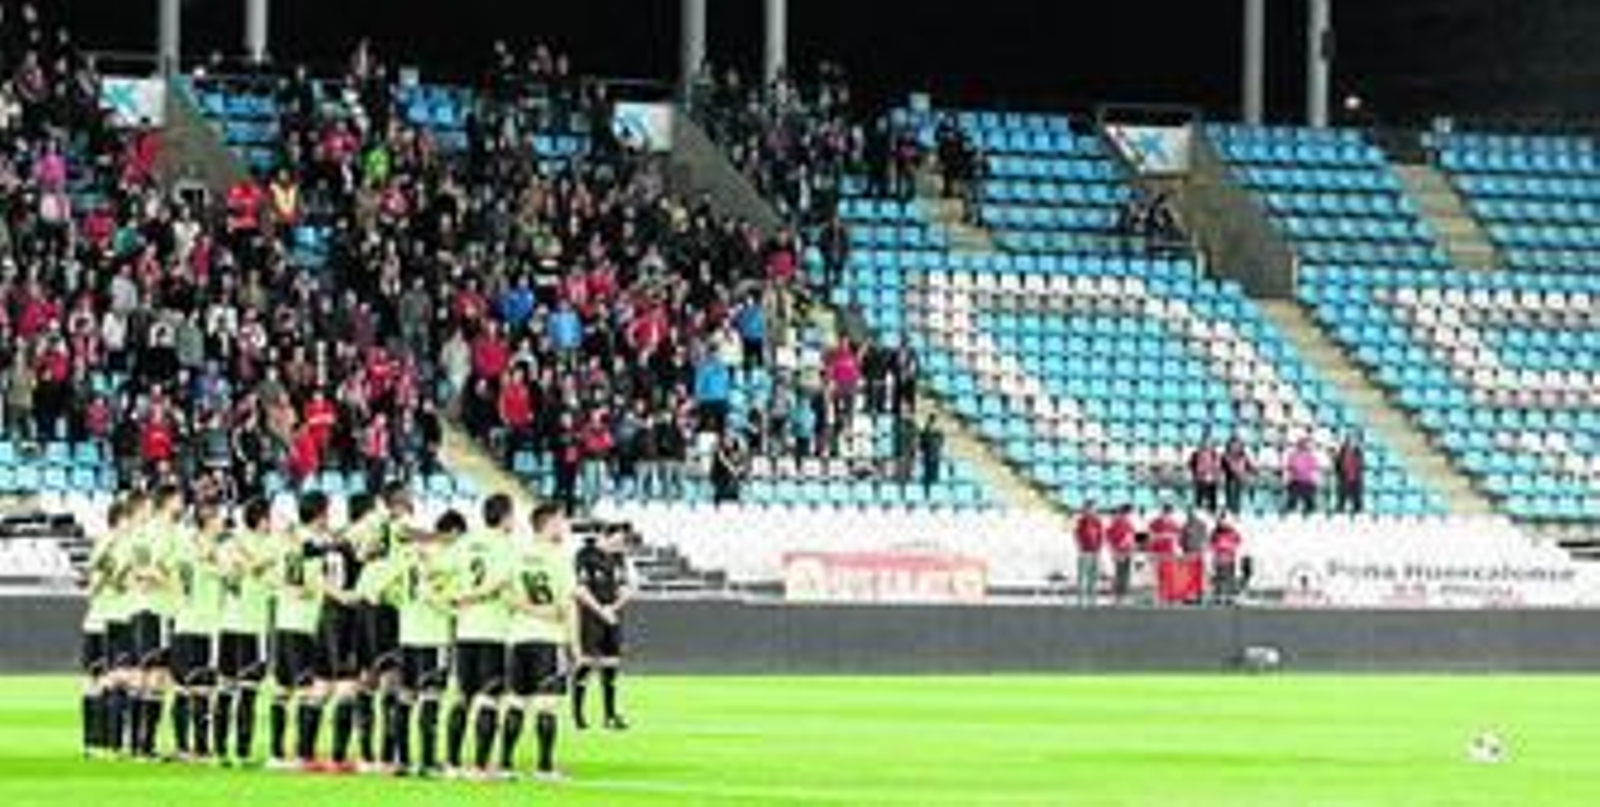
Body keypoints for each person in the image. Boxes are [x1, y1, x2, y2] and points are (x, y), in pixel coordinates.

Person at [503, 502, 580, 780]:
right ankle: (545, 767)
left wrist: (526, 609)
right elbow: (566, 606)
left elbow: (507, 596)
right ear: (548, 524)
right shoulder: (560, 557)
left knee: (515, 702)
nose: (564, 526)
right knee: (547, 705)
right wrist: (575, 647)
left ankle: (506, 765)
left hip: (518, 638)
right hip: (548, 640)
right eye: (561, 521)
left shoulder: (516, 554)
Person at [443, 493, 516, 779]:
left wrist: (456, 599)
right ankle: (480, 767)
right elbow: (503, 583)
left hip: (465, 631)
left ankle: (452, 765)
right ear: (506, 516)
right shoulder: (506, 547)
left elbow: (436, 572)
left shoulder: (464, 543)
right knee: (490, 699)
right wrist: (479, 594)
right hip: (493, 630)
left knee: (461, 697)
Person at [214, 498, 278, 765]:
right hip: (252, 626)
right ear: (262, 519)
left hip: (228, 623)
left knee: (226, 689)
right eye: (269, 517)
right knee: (247, 690)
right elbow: (265, 574)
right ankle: (241, 751)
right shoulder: (268, 545)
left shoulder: (229, 544)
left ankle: (220, 752)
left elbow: (227, 573)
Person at [269, 492, 330, 770]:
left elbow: (280, 580)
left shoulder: (287, 543)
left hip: (284, 622)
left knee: (282, 690)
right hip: (305, 625)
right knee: (310, 690)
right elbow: (305, 586)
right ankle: (304, 755)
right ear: (319, 514)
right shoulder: (311, 545)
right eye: (327, 512)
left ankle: (277, 754)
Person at [168, 503, 226, 761]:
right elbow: (230, 575)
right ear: (208, 524)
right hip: (204, 625)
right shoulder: (213, 553)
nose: (222, 525)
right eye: (218, 521)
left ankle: (183, 748)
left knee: (182, 688)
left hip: (182, 623)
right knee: (203, 688)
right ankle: (201, 749)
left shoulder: (183, 549)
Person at [572, 527, 633, 731]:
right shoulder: (585, 555)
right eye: (618, 539)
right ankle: (578, 715)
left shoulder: (619, 559)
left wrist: (612, 609)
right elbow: (580, 590)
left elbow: (626, 589)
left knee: (611, 665)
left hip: (611, 617)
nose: (620, 544)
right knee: (587, 663)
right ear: (605, 536)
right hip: (590, 617)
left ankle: (610, 715)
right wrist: (600, 611)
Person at [1072, 502, 1104, 607]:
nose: (1092, 511)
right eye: (1089, 509)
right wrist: (1080, 548)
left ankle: (1092, 598)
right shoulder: (1081, 521)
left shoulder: (1097, 521)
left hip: (1095, 551)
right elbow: (1076, 535)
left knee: (1093, 576)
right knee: (1082, 575)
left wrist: (1099, 549)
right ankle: (1081, 598)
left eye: (1094, 509)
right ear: (1085, 509)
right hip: (1084, 551)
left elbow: (1100, 536)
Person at [1106, 504, 1138, 606]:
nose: (1130, 515)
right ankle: (1117, 595)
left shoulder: (1128, 523)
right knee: (1120, 573)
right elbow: (1109, 536)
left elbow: (1133, 536)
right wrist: (1115, 550)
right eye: (1129, 512)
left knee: (1125, 573)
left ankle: (1122, 595)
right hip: (1120, 551)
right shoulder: (1117, 522)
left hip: (1127, 551)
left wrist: (1132, 546)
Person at [1210, 514, 1244, 606]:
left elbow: (1238, 541)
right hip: (1219, 558)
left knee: (1229, 578)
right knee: (1219, 578)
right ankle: (1218, 596)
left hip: (1229, 558)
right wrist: (1216, 551)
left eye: (1224, 522)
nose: (1222, 524)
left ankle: (1230, 597)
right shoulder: (1215, 532)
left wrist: (1230, 547)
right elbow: (1212, 544)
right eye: (1221, 522)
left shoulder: (1232, 531)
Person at [1284, 437, 1321, 515]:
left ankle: (1309, 515)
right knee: (1292, 500)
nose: (1302, 447)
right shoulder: (1293, 455)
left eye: (1304, 445)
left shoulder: (1311, 456)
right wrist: (1288, 479)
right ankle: (1288, 515)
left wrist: (1315, 481)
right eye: (1300, 445)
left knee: (1309, 501)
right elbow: (1290, 467)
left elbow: (1314, 469)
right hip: (1296, 480)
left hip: (1307, 481)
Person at [1221, 435, 1254, 516]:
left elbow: (1250, 468)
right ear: (1229, 446)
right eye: (1234, 445)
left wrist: (1247, 476)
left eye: (1238, 445)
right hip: (1229, 480)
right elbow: (1223, 470)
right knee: (1233, 484)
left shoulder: (1244, 456)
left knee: (1248, 482)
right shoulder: (1225, 456)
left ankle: (1239, 510)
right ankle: (1230, 510)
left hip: (1242, 480)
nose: (1236, 447)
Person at [1334, 433, 1365, 515]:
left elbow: (1360, 467)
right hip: (1344, 480)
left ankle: (1357, 519)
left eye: (1354, 441)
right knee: (1341, 503)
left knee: (1357, 504)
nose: (1353, 443)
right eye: (1351, 440)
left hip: (1355, 481)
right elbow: (1337, 466)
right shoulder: (1342, 452)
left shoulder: (1358, 452)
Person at [1188, 437, 1221, 513]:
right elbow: (1191, 465)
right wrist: (1199, 474)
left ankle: (1212, 511)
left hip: (1211, 479)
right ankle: (1198, 511)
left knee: (1212, 498)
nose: (1206, 445)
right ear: (1201, 444)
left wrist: (1212, 475)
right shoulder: (1195, 454)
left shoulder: (1214, 454)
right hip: (1199, 479)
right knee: (1199, 499)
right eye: (1204, 443)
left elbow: (1217, 467)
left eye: (1208, 443)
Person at [918, 416, 944, 493]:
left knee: (935, 476)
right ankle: (927, 491)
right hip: (927, 457)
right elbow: (922, 445)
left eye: (934, 422)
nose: (933, 424)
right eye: (931, 422)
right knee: (927, 475)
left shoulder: (939, 433)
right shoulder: (925, 432)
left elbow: (941, 443)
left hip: (935, 457)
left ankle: (934, 491)